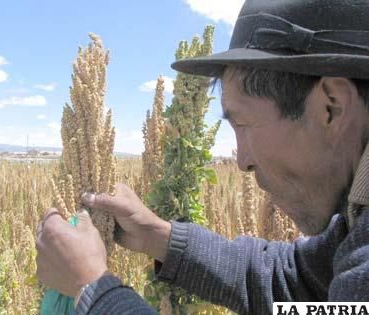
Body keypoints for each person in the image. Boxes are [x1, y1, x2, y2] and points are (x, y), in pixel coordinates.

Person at [36, 0, 369, 314]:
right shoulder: (355, 231)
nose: (242, 162)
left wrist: (90, 286)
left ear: (331, 107)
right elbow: (291, 282)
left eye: (242, 123)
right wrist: (159, 237)